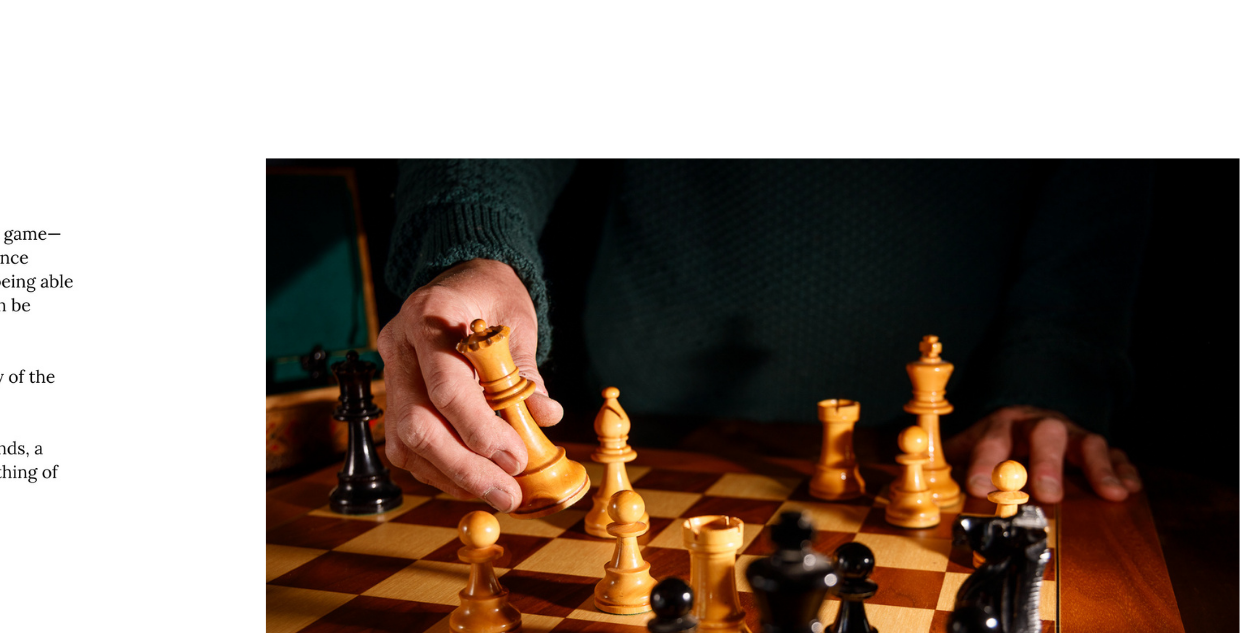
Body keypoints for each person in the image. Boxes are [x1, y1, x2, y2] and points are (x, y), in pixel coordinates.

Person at [376, 159, 1147, 513]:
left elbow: (1096, 186)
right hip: (652, 419)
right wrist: (473, 245)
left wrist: (1050, 373)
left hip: (960, 439)